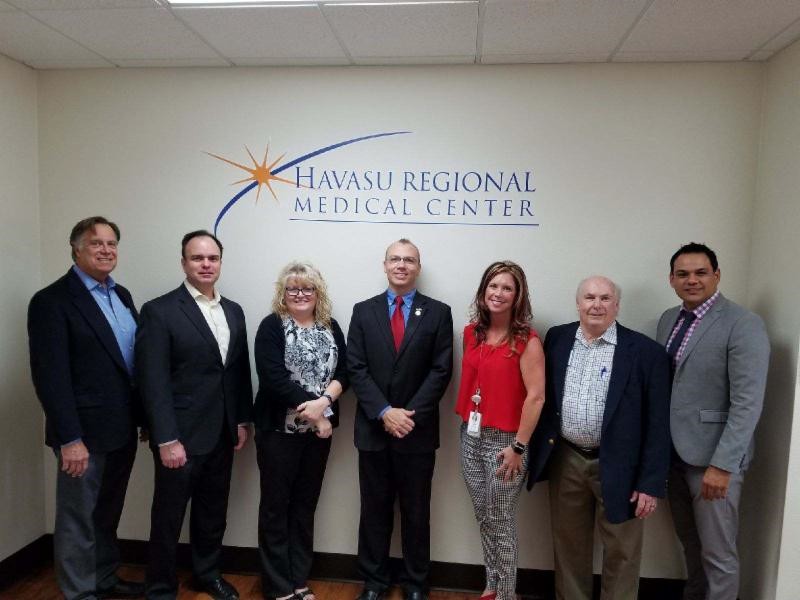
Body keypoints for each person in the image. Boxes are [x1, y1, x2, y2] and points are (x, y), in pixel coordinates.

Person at [528, 276, 671, 600]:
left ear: (617, 305)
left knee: (622, 549)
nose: (597, 304)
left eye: (605, 298)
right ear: (578, 303)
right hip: (567, 459)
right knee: (569, 547)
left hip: (623, 465)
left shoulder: (646, 353)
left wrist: (650, 483)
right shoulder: (557, 339)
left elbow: (658, 423)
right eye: (590, 297)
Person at [28, 216, 144, 600]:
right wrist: (69, 438)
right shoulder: (52, 301)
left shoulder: (121, 295)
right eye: (97, 244)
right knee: (78, 519)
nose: (107, 250)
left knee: (108, 513)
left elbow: (128, 364)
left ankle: (104, 579)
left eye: (112, 243)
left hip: (122, 428)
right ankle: (79, 593)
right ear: (76, 249)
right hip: (83, 435)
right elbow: (51, 377)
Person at [136, 230, 253, 600]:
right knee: (168, 517)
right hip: (180, 437)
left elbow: (236, 371)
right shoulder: (160, 311)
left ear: (221, 262)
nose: (206, 264)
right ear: (184, 262)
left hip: (221, 432)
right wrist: (166, 438)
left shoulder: (233, 310)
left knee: (212, 512)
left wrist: (241, 420)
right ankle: (160, 587)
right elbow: (152, 381)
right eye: (197, 258)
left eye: (212, 258)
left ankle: (207, 573)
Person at [656, 243, 769, 600]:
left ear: (717, 275)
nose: (692, 280)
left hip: (713, 462)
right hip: (674, 457)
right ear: (672, 279)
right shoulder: (668, 319)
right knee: (690, 545)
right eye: (683, 274)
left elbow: (747, 403)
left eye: (701, 272)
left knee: (718, 554)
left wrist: (723, 465)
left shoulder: (743, 324)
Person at [347, 238, 453, 600]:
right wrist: (384, 412)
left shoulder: (438, 312)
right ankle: (374, 581)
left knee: (416, 513)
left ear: (418, 268)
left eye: (409, 260)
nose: (402, 265)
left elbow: (441, 370)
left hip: (417, 431)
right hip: (374, 429)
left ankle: (415, 583)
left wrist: (408, 416)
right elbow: (356, 367)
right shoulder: (363, 311)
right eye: (395, 259)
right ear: (385, 264)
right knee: (373, 511)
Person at [253, 262, 348, 600]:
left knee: (305, 506)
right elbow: (274, 379)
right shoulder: (272, 326)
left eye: (307, 288)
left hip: (317, 435)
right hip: (279, 430)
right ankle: (277, 586)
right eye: (292, 288)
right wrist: (317, 415)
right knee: (276, 507)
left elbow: (345, 370)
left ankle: (298, 579)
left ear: (317, 292)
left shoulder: (330, 326)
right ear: (283, 292)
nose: (300, 294)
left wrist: (325, 402)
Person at [455, 261, 545, 600]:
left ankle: (507, 594)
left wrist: (519, 447)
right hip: (471, 436)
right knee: (484, 516)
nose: (499, 293)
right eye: (493, 286)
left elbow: (536, 397)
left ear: (518, 295)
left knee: (500, 519)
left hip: (508, 444)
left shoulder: (526, 340)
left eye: (507, 288)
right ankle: (492, 585)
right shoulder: (471, 333)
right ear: (483, 291)